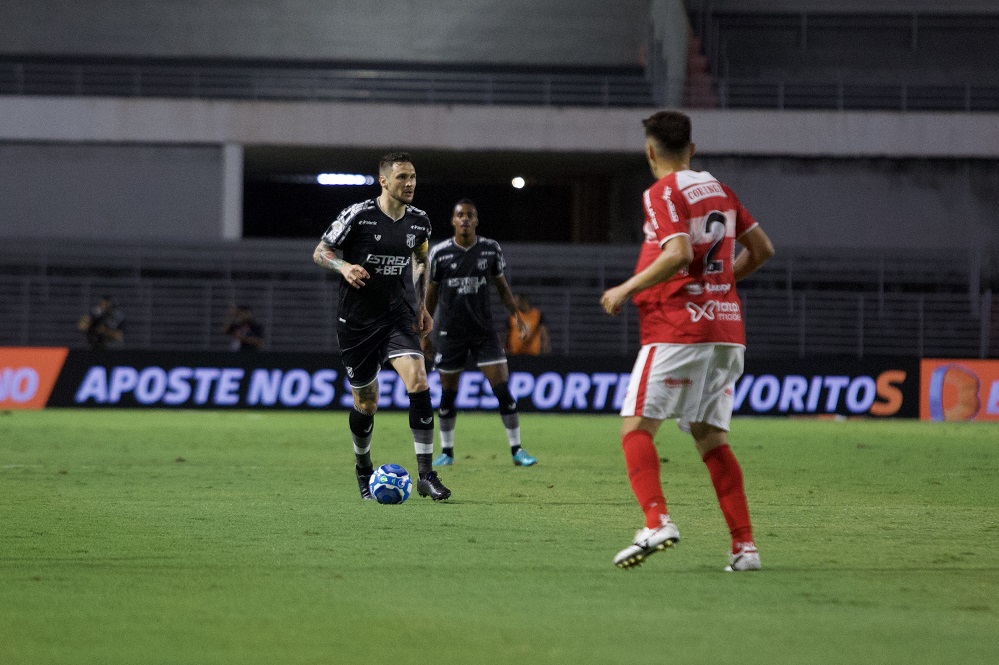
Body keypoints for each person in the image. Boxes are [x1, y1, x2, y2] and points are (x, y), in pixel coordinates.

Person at [600, 110, 775, 572]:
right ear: (692, 149)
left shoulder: (661, 192)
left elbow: (677, 253)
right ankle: (745, 548)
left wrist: (626, 287)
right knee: (710, 436)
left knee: (636, 428)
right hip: (726, 331)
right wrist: (720, 285)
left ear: (650, 151)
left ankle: (656, 521)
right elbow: (762, 250)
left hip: (679, 328)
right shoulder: (721, 189)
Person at [312, 151, 450, 501]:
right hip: (357, 321)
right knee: (367, 402)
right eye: (403, 177)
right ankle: (363, 469)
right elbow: (321, 251)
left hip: (396, 315)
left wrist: (421, 304)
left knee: (418, 380)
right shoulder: (358, 215)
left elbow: (421, 260)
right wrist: (344, 267)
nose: (410, 183)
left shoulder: (419, 221)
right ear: (384, 181)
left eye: (414, 176)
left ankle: (426, 474)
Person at [423, 199, 539, 468]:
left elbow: (502, 287)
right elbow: (431, 295)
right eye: (460, 215)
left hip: (484, 332)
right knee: (448, 395)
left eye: (469, 215)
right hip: (450, 332)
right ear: (453, 221)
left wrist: (516, 315)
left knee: (502, 390)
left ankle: (517, 450)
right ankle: (447, 453)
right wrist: (424, 331)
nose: (464, 219)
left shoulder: (490, 250)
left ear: (476, 221)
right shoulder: (439, 253)